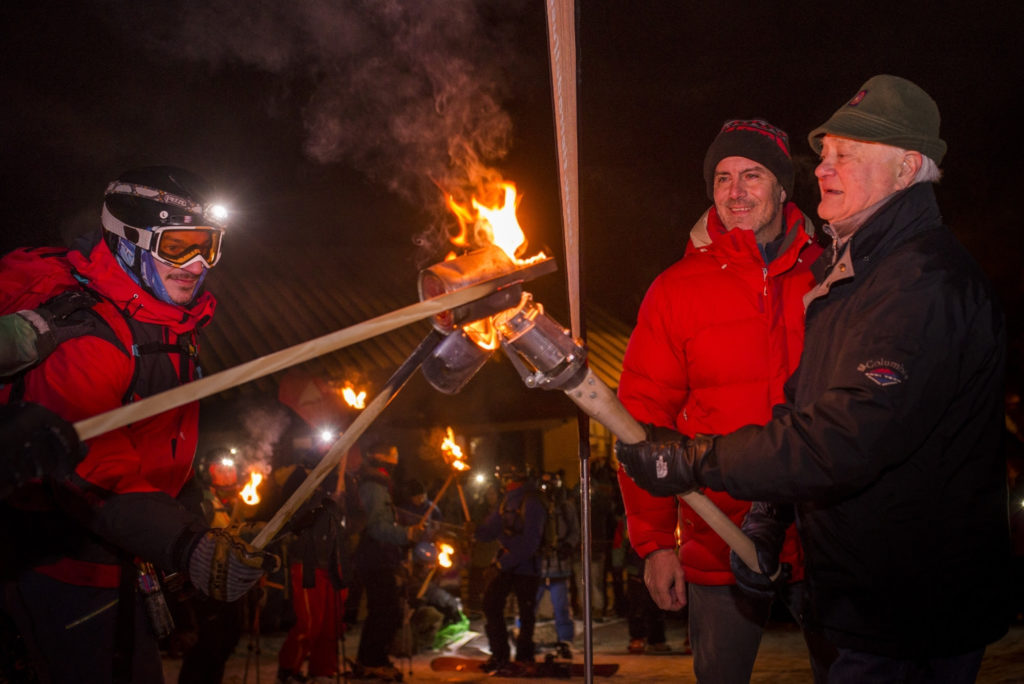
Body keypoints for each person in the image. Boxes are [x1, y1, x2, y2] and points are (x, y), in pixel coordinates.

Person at [616, 75, 1010, 682]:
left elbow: (840, 435)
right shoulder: (842, 272)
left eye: (844, 156)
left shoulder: (897, 279)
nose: (826, 168)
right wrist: (666, 537)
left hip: (895, 597)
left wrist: (698, 460)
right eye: (722, 177)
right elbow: (647, 408)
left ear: (906, 169)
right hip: (732, 538)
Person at [0, 166, 272, 683]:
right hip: (63, 571)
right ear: (129, 242)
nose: (197, 264)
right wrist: (185, 543)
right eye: (178, 247)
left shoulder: (163, 323)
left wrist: (201, 522)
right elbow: (95, 469)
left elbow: (157, 448)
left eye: (208, 246)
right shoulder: (91, 335)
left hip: (120, 562)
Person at [616, 118, 832, 683]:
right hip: (719, 536)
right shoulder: (677, 288)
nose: (735, 191)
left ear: (784, 187)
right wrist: (658, 543)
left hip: (825, 536)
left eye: (752, 175)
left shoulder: (831, 274)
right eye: (722, 177)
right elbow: (642, 419)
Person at [353, 442, 423, 682]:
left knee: (383, 611)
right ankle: (372, 660)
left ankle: (371, 659)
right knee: (386, 611)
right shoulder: (373, 487)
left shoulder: (380, 487)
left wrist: (407, 527)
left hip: (380, 557)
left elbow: (385, 518)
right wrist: (406, 534)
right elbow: (376, 527)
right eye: (391, 464)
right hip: (373, 558)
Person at [473, 460, 546, 674]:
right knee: (491, 605)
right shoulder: (506, 501)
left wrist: (501, 563)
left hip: (527, 567)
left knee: (526, 612)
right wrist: (474, 530)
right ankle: (500, 654)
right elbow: (491, 529)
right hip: (508, 565)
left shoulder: (532, 502)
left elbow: (529, 545)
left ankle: (525, 656)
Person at [535, 471, 579, 655]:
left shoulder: (565, 507)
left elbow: (575, 531)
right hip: (537, 566)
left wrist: (568, 546)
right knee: (529, 604)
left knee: (561, 606)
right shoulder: (534, 505)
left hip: (558, 566)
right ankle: (523, 634)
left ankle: (565, 640)